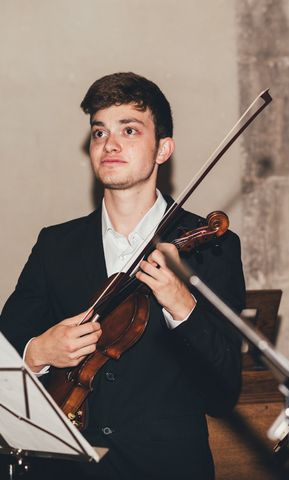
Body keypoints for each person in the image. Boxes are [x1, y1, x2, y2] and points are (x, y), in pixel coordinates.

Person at [0, 72, 244, 479]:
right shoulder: (55, 246)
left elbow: (222, 392)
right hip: (66, 470)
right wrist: (39, 352)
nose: (110, 144)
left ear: (163, 148)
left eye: (129, 130)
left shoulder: (211, 247)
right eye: (99, 133)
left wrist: (183, 305)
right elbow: (6, 346)